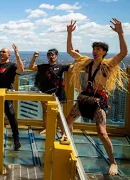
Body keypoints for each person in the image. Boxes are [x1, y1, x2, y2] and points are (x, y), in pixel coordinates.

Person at [65, 18, 128, 175]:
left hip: (98, 100)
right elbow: (70, 51)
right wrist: (69, 34)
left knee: (102, 132)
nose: (96, 51)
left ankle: (113, 162)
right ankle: (70, 144)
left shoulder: (108, 65)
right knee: (68, 121)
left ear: (104, 52)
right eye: (94, 48)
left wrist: (120, 33)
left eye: (99, 49)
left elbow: (123, 53)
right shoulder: (86, 62)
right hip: (85, 97)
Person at [29, 49, 73, 134]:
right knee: (45, 111)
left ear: (56, 56)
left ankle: (63, 131)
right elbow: (31, 67)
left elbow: (71, 68)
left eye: (52, 55)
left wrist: (76, 57)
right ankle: (47, 128)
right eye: (49, 55)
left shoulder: (61, 66)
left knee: (58, 112)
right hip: (45, 91)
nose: (51, 56)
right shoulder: (44, 66)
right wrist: (34, 57)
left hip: (57, 93)